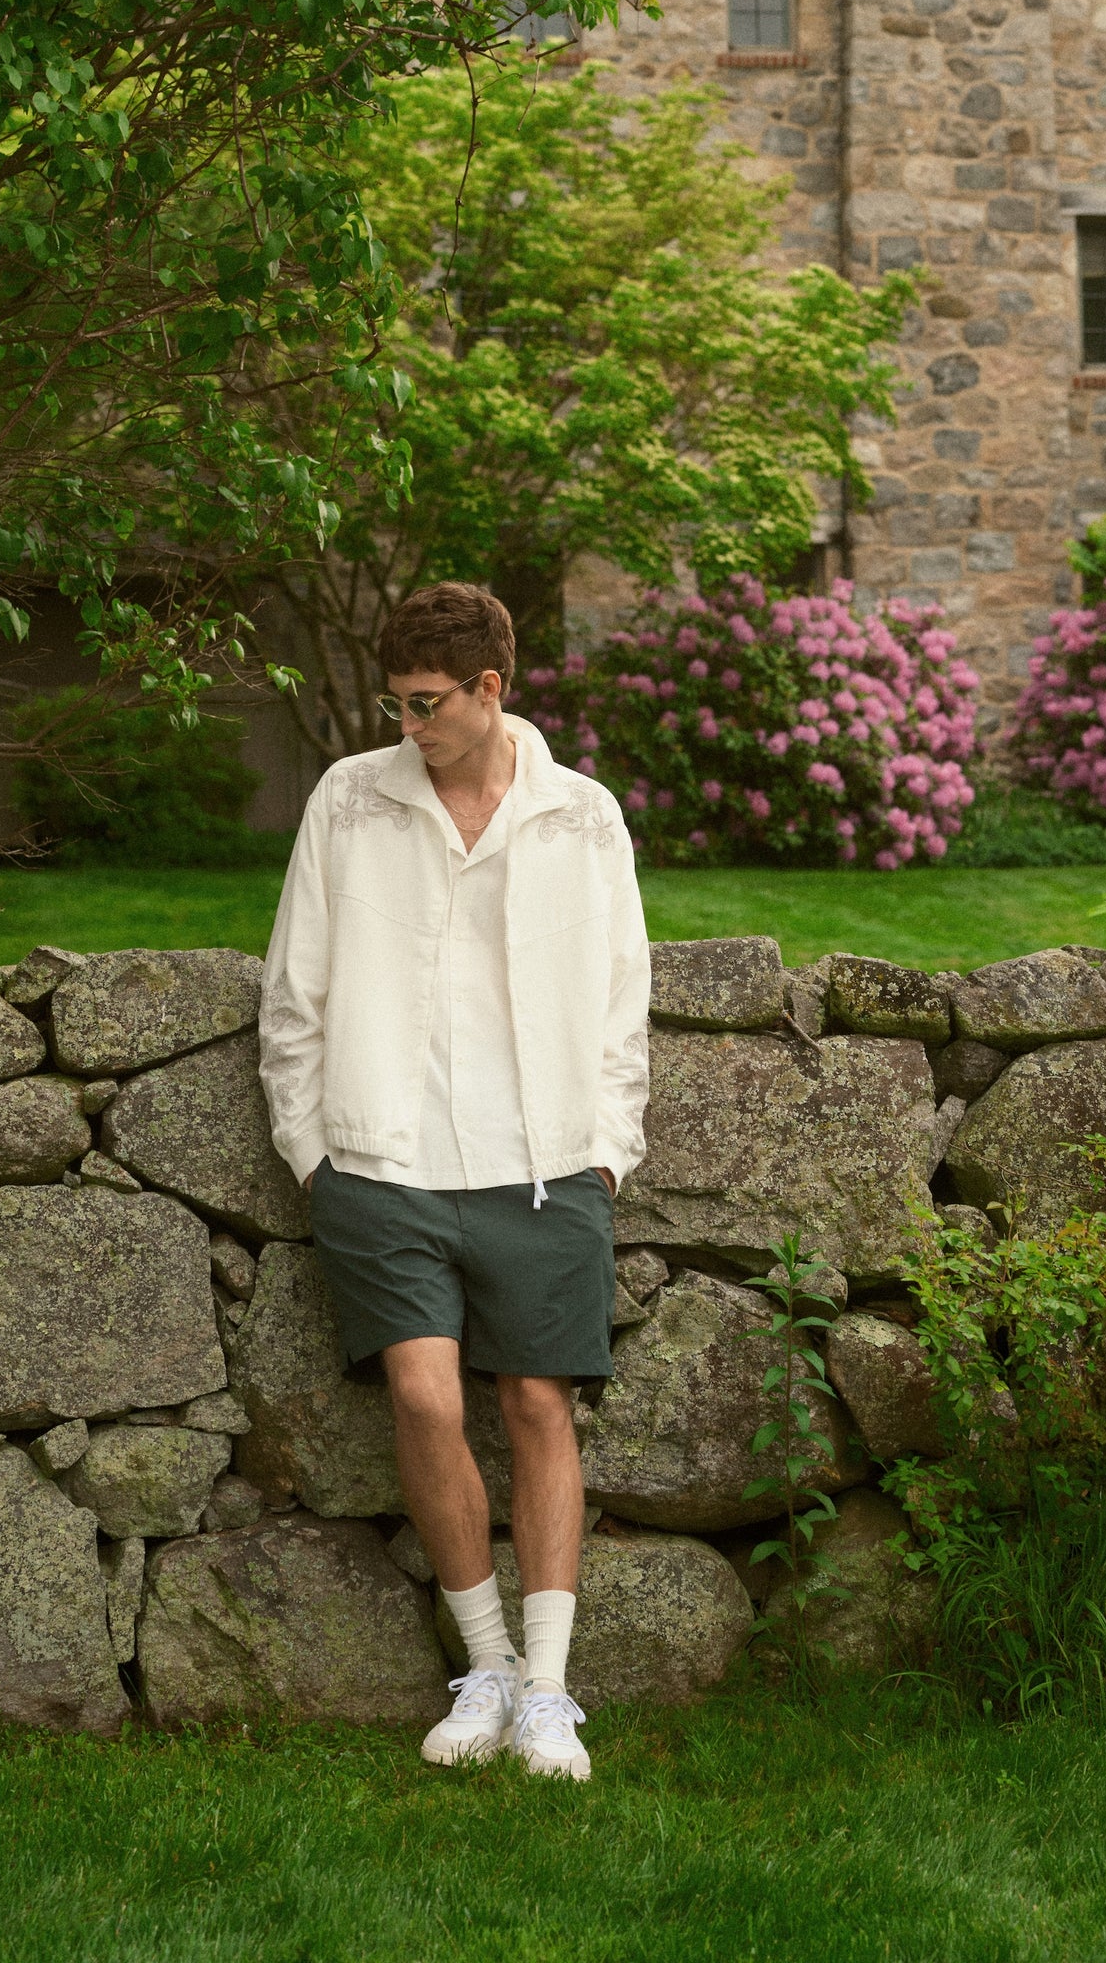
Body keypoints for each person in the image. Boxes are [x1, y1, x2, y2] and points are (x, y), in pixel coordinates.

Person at [258, 581, 649, 1782]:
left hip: (545, 1161)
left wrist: (606, 1146)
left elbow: (623, 998)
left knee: (537, 1404)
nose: (407, 724)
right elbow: (294, 991)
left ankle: (549, 1693)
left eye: (427, 703)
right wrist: (315, 1152)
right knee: (426, 1401)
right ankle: (486, 1669)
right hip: (383, 1159)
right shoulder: (348, 800)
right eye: (397, 702)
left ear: (491, 687)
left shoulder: (582, 817)